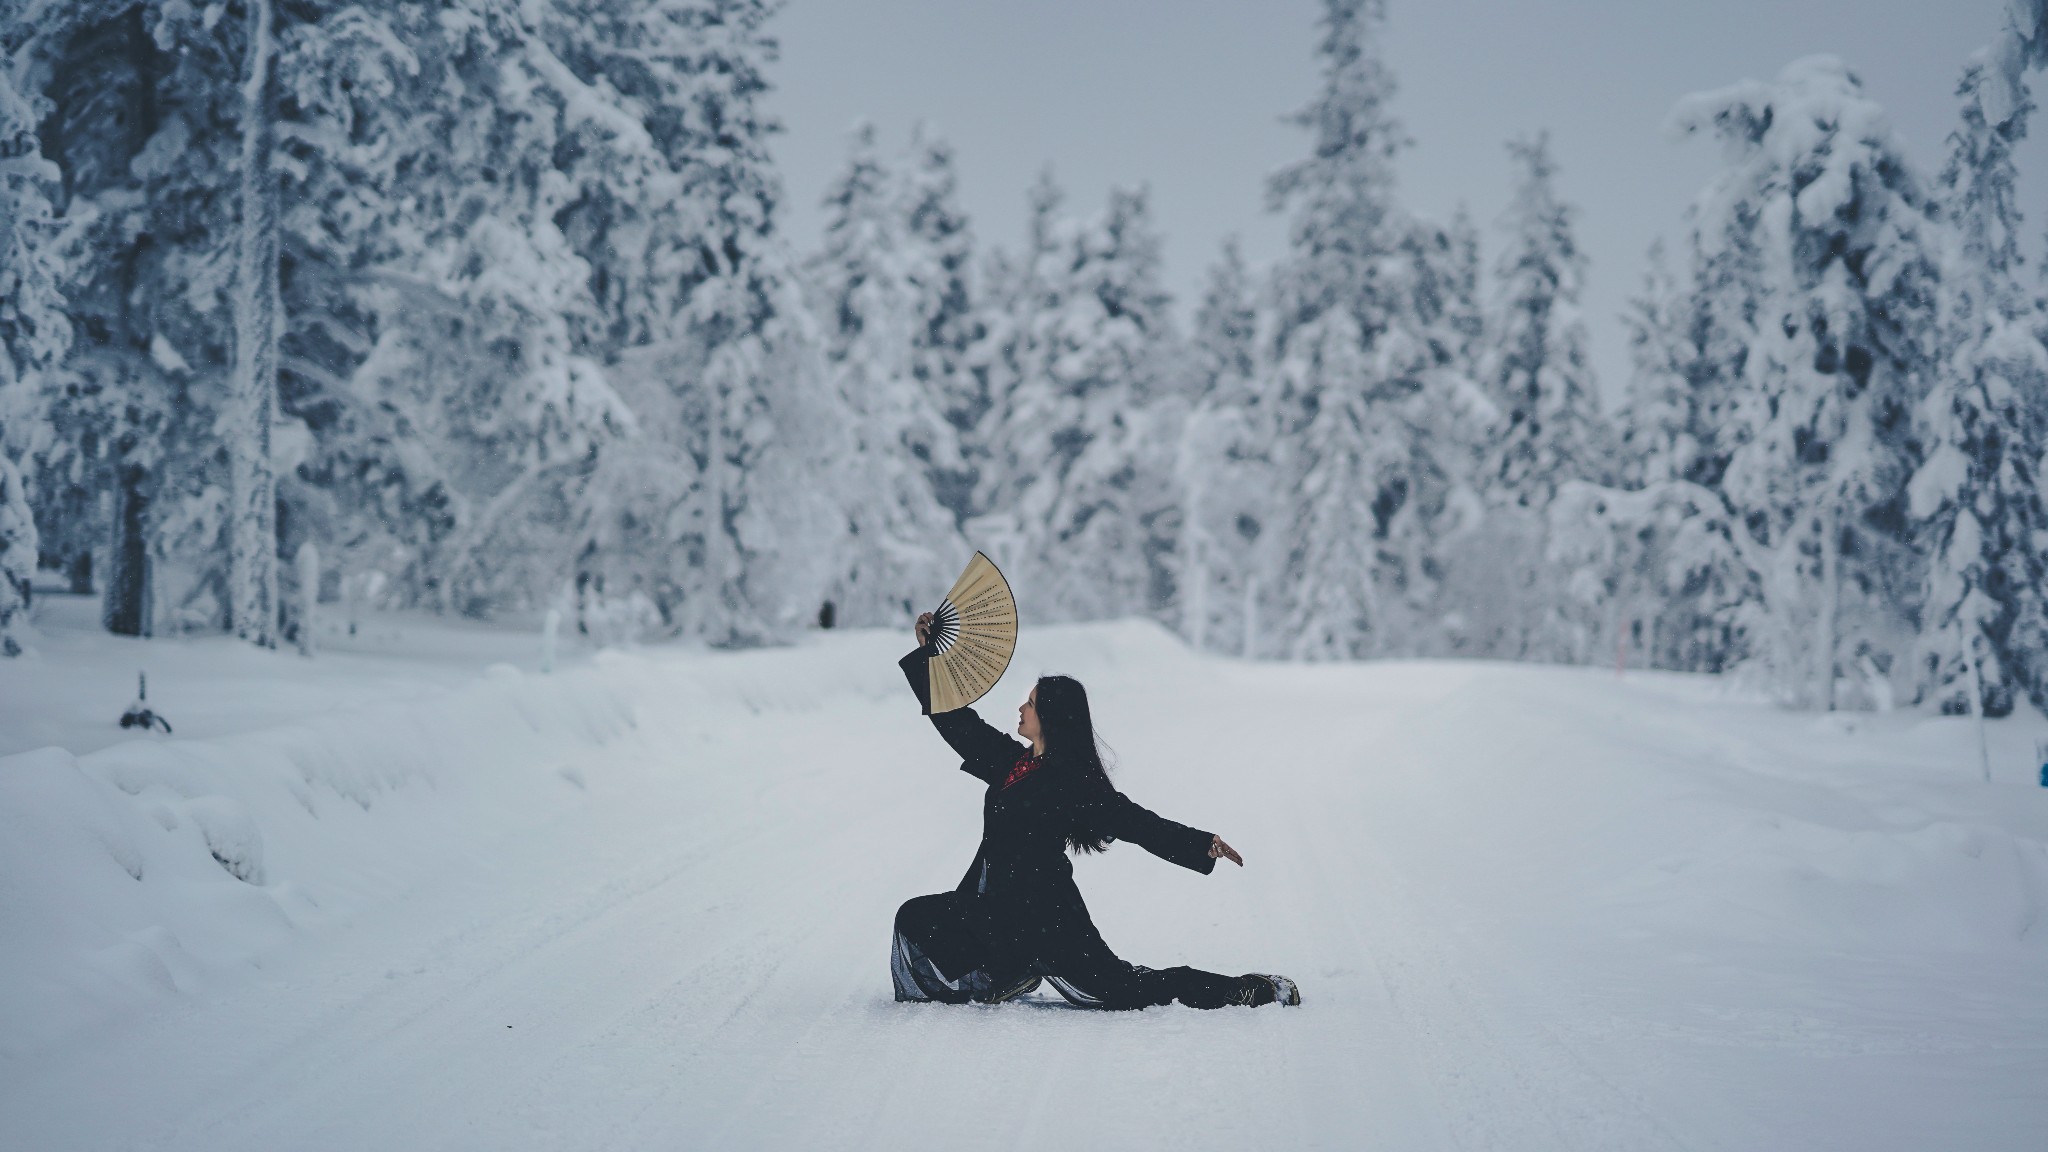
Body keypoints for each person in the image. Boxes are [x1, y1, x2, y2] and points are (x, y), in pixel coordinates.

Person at [891, 611, 1301, 1010]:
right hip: (999, 913)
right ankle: (1008, 972)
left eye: (1031, 703)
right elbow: (955, 722)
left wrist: (1199, 843)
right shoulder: (1010, 764)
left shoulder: (1073, 784)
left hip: (1048, 919)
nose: (1021, 709)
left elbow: (1137, 823)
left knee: (1125, 989)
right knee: (915, 916)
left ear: (1051, 717)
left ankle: (1247, 990)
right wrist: (928, 657)